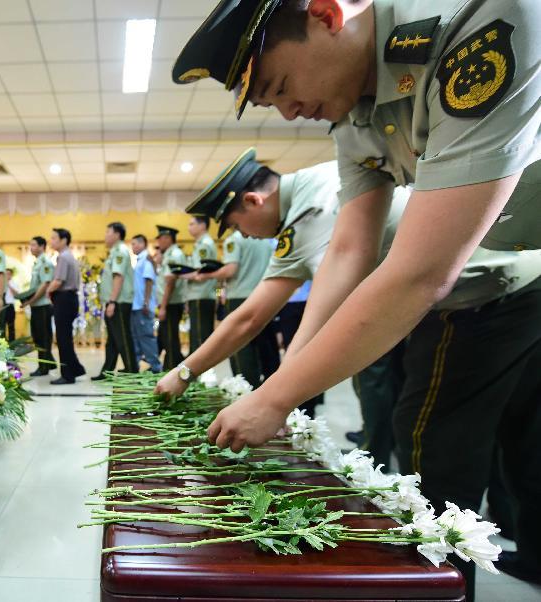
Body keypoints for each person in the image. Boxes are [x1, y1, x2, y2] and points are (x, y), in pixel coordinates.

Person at [172, 0, 541, 589]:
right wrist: (285, 381)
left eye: (282, 86)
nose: (291, 114)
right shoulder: (353, 112)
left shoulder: (478, 21)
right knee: (521, 437)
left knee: (429, 444)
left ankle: (439, 588)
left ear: (325, 12)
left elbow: (420, 272)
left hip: (495, 286)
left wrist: (275, 398)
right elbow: (349, 253)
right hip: (500, 276)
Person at [156, 151, 405, 419]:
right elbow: (249, 317)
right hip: (408, 305)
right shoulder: (301, 199)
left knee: (412, 420)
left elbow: (314, 323)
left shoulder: (309, 211)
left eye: (238, 227)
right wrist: (185, 372)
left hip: (444, 300)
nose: (245, 235)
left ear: (253, 200)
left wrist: (270, 402)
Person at [194, 225, 277, 386]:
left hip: (240, 297)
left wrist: (208, 275)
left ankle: (245, 390)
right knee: (265, 347)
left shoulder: (234, 239)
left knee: (240, 348)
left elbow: (231, 270)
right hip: (265, 296)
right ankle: (268, 388)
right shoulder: (266, 241)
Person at [93, 222, 138, 380]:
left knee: (122, 337)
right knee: (113, 339)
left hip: (118, 302)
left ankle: (132, 370)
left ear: (117, 234)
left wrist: (112, 302)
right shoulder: (114, 252)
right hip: (114, 301)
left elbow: (118, 277)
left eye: (108, 232)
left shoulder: (120, 251)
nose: (105, 235)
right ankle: (107, 371)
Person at [47, 228, 86, 384]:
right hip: (69, 299)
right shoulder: (69, 255)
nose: (52, 241)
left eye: (54, 238)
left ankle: (68, 374)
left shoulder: (63, 257)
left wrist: (47, 291)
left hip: (64, 298)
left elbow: (58, 281)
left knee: (63, 339)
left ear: (63, 240)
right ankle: (75, 368)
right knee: (65, 337)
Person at [184, 216, 217, 353]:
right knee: (201, 336)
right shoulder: (203, 243)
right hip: (202, 295)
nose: (189, 227)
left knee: (199, 338)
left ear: (202, 225)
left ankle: (198, 373)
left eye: (192, 224)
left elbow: (200, 272)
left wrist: (181, 274)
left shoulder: (204, 244)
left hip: (201, 295)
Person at [155, 225, 187, 370]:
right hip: (170, 303)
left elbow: (170, 282)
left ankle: (172, 368)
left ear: (168, 238)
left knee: (170, 338)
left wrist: (163, 307)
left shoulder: (174, 254)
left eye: (160, 239)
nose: (158, 243)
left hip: (171, 304)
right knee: (166, 336)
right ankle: (176, 364)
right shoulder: (170, 254)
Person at [129, 234, 162, 373]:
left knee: (146, 337)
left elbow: (149, 280)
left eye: (135, 244)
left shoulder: (146, 260)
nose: (133, 247)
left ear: (143, 244)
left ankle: (155, 367)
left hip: (143, 306)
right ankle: (134, 366)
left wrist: (146, 302)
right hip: (136, 306)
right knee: (136, 337)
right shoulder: (139, 260)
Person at [24, 236, 56, 377]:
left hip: (43, 306)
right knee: (37, 336)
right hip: (36, 305)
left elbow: (45, 284)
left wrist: (30, 301)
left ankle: (43, 367)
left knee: (43, 337)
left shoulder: (45, 262)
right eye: (30, 245)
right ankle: (48, 363)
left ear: (42, 247)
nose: (31, 248)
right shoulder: (37, 262)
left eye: (34, 245)